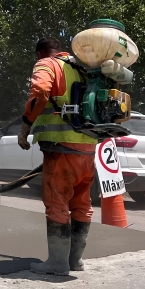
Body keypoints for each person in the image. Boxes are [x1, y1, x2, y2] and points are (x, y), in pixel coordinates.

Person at [18, 37, 98, 276]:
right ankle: (75, 261)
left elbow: (41, 91)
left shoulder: (47, 64)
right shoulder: (83, 69)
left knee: (57, 202)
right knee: (82, 203)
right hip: (88, 148)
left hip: (61, 148)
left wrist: (26, 126)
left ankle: (57, 263)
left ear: (40, 52)